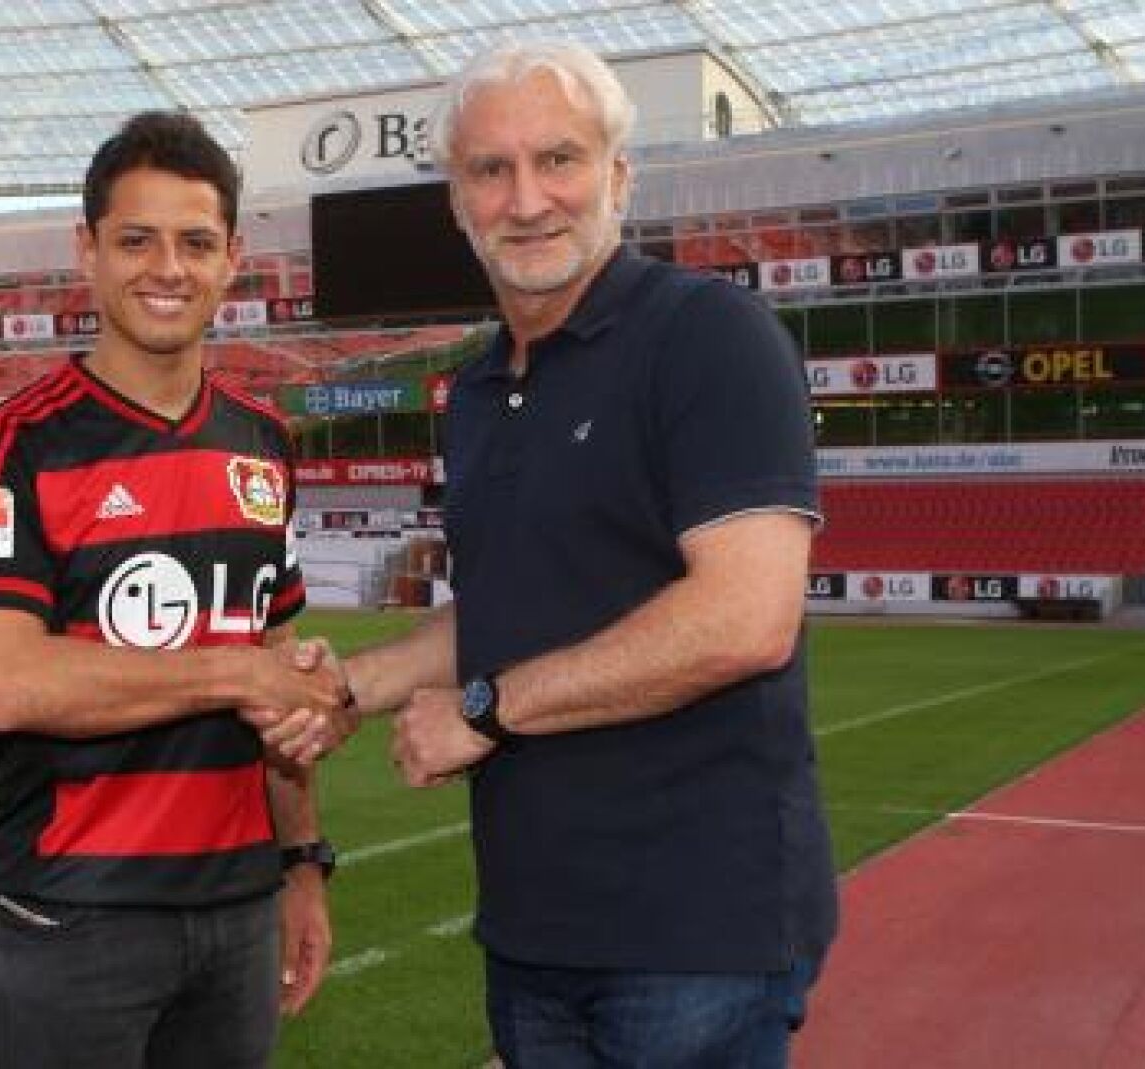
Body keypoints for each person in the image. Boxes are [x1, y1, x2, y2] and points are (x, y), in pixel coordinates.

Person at [332, 41, 839, 1067]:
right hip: (532, 931)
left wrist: (484, 710)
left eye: (557, 160)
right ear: (457, 201)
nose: (527, 200)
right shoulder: (478, 391)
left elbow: (746, 617)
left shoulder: (708, 336)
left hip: (695, 934)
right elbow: (516, 604)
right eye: (490, 170)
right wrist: (354, 685)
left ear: (618, 175)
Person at [0, 111, 347, 1069]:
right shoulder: (13, 443)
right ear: (87, 250)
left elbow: (279, 672)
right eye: (136, 239)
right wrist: (232, 675)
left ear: (232, 258)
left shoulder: (260, 440)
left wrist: (302, 865)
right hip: (77, 911)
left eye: (195, 242)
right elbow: (13, 683)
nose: (167, 267)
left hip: (240, 910)